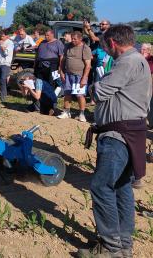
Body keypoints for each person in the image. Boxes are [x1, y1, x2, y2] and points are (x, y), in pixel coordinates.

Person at [76, 25, 151, 258]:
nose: (104, 49)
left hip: (119, 135)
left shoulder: (128, 62)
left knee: (102, 186)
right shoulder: (135, 61)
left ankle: (111, 247)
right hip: (128, 133)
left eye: (105, 44)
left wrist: (92, 87)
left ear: (113, 43)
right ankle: (122, 244)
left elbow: (100, 92)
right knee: (120, 187)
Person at [58, 31, 92, 122]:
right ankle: (66, 112)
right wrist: (61, 72)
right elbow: (62, 60)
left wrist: (84, 78)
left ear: (80, 39)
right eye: (72, 38)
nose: (72, 40)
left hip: (79, 76)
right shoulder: (67, 46)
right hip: (68, 74)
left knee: (80, 95)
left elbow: (88, 65)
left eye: (75, 39)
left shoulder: (85, 48)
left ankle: (81, 114)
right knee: (67, 93)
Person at [0, 30, 14, 102]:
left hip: (5, 63)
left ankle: (3, 95)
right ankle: (5, 89)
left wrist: (2, 45)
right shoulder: (0, 43)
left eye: (3, 36)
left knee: (3, 79)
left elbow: (6, 53)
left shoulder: (10, 43)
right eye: (1, 36)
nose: (1, 37)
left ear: (7, 36)